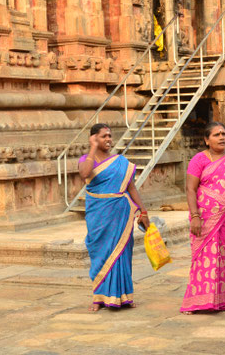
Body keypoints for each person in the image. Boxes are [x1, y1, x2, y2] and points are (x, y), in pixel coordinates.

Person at [180, 122, 225, 314]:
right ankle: (196, 301)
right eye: (216, 135)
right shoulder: (199, 160)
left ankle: (220, 301)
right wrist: (195, 215)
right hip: (204, 217)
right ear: (206, 140)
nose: (222, 137)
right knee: (203, 258)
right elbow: (190, 189)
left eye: (224, 134)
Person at [78, 123, 150, 312]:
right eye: (103, 136)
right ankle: (99, 297)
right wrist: (93, 148)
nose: (109, 139)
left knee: (122, 255)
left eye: (110, 136)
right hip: (98, 215)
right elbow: (84, 174)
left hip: (121, 214)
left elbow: (131, 187)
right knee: (100, 253)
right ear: (93, 138)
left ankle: (124, 296)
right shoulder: (87, 159)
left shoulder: (121, 162)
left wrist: (143, 211)